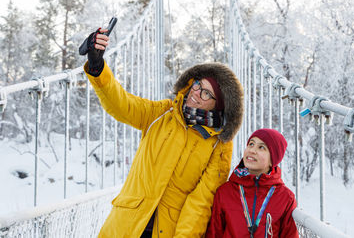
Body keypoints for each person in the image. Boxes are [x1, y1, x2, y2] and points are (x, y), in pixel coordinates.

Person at [79, 28, 244, 237]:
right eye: (197, 85)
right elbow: (122, 104)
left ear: (217, 105)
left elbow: (201, 203)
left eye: (206, 93)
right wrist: (97, 67)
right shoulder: (162, 113)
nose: (196, 94)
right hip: (125, 226)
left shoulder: (218, 145)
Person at [206, 128, 299, 238]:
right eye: (251, 144)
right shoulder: (225, 192)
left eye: (261, 147)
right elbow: (214, 233)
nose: (252, 150)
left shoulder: (285, 198)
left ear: (273, 160)